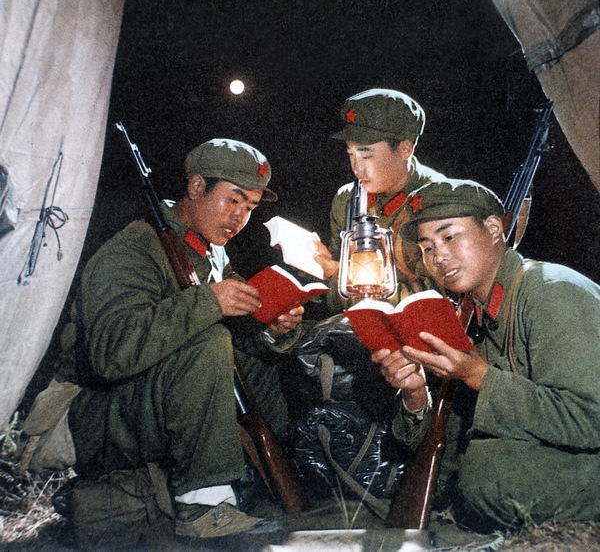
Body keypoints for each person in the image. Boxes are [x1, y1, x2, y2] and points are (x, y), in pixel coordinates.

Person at [65, 139, 305, 538]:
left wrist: (271, 327)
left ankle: (275, 473)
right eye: (233, 199)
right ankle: (203, 504)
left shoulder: (207, 252)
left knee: (259, 365)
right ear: (196, 187)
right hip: (101, 418)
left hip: (150, 407)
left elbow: (237, 338)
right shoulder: (136, 247)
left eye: (249, 207)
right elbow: (110, 354)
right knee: (208, 344)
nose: (239, 217)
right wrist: (208, 302)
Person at [372, 178, 600, 531]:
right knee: (469, 466)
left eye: (450, 236)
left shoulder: (551, 291)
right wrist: (415, 395)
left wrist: (479, 376)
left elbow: (590, 419)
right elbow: (450, 440)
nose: (438, 256)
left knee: (488, 474)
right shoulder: (474, 313)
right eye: (427, 247)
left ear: (494, 229)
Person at [313, 87, 448, 313]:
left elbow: (440, 298)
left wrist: (338, 276)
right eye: (351, 154)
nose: (357, 168)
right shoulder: (348, 199)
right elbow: (333, 272)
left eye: (366, 155)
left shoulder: (441, 202)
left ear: (405, 149)